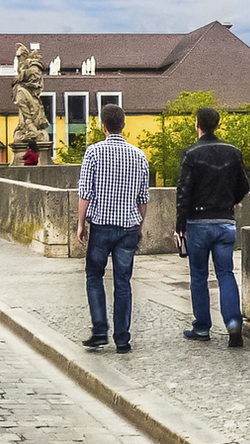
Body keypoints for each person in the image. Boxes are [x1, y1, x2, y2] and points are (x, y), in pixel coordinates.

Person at [76, 104, 150, 353]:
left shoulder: (93, 152)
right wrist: (139, 226)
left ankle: (99, 330)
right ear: (124, 124)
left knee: (94, 276)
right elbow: (143, 198)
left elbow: (85, 192)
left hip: (101, 226)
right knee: (123, 282)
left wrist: (80, 224)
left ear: (103, 126)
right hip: (128, 226)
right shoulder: (139, 155)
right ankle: (122, 339)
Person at [176, 107, 250, 348]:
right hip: (225, 222)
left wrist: (180, 226)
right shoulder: (233, 152)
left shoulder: (190, 154)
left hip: (198, 223)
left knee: (199, 275)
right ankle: (233, 324)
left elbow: (183, 193)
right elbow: (243, 186)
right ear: (217, 125)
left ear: (197, 124)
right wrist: (227, 204)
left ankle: (202, 328)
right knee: (225, 273)